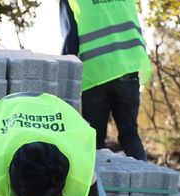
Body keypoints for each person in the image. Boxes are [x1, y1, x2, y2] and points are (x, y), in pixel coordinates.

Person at [60, 0, 152, 161]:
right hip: (128, 70)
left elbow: (70, 40)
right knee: (129, 134)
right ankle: (146, 183)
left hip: (95, 75)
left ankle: (96, 185)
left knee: (94, 140)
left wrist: (64, 75)